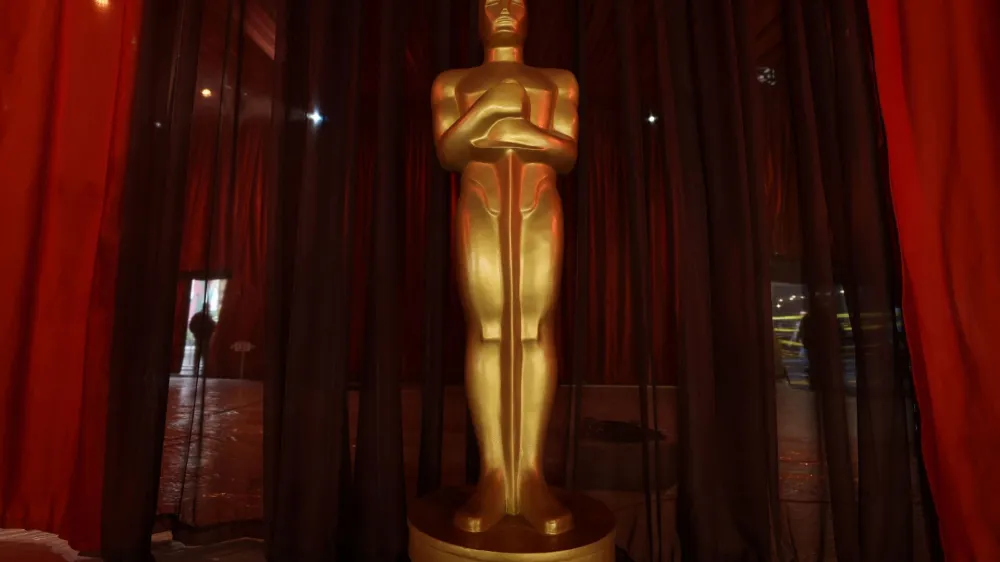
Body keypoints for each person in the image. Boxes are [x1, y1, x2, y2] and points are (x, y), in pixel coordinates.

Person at [188, 307, 216, 375]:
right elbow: (213, 326)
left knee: (197, 355)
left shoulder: (197, 316)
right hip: (206, 338)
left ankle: (195, 371)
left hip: (198, 338)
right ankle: (204, 372)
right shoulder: (208, 317)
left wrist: (195, 333)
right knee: (205, 356)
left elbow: (191, 325)